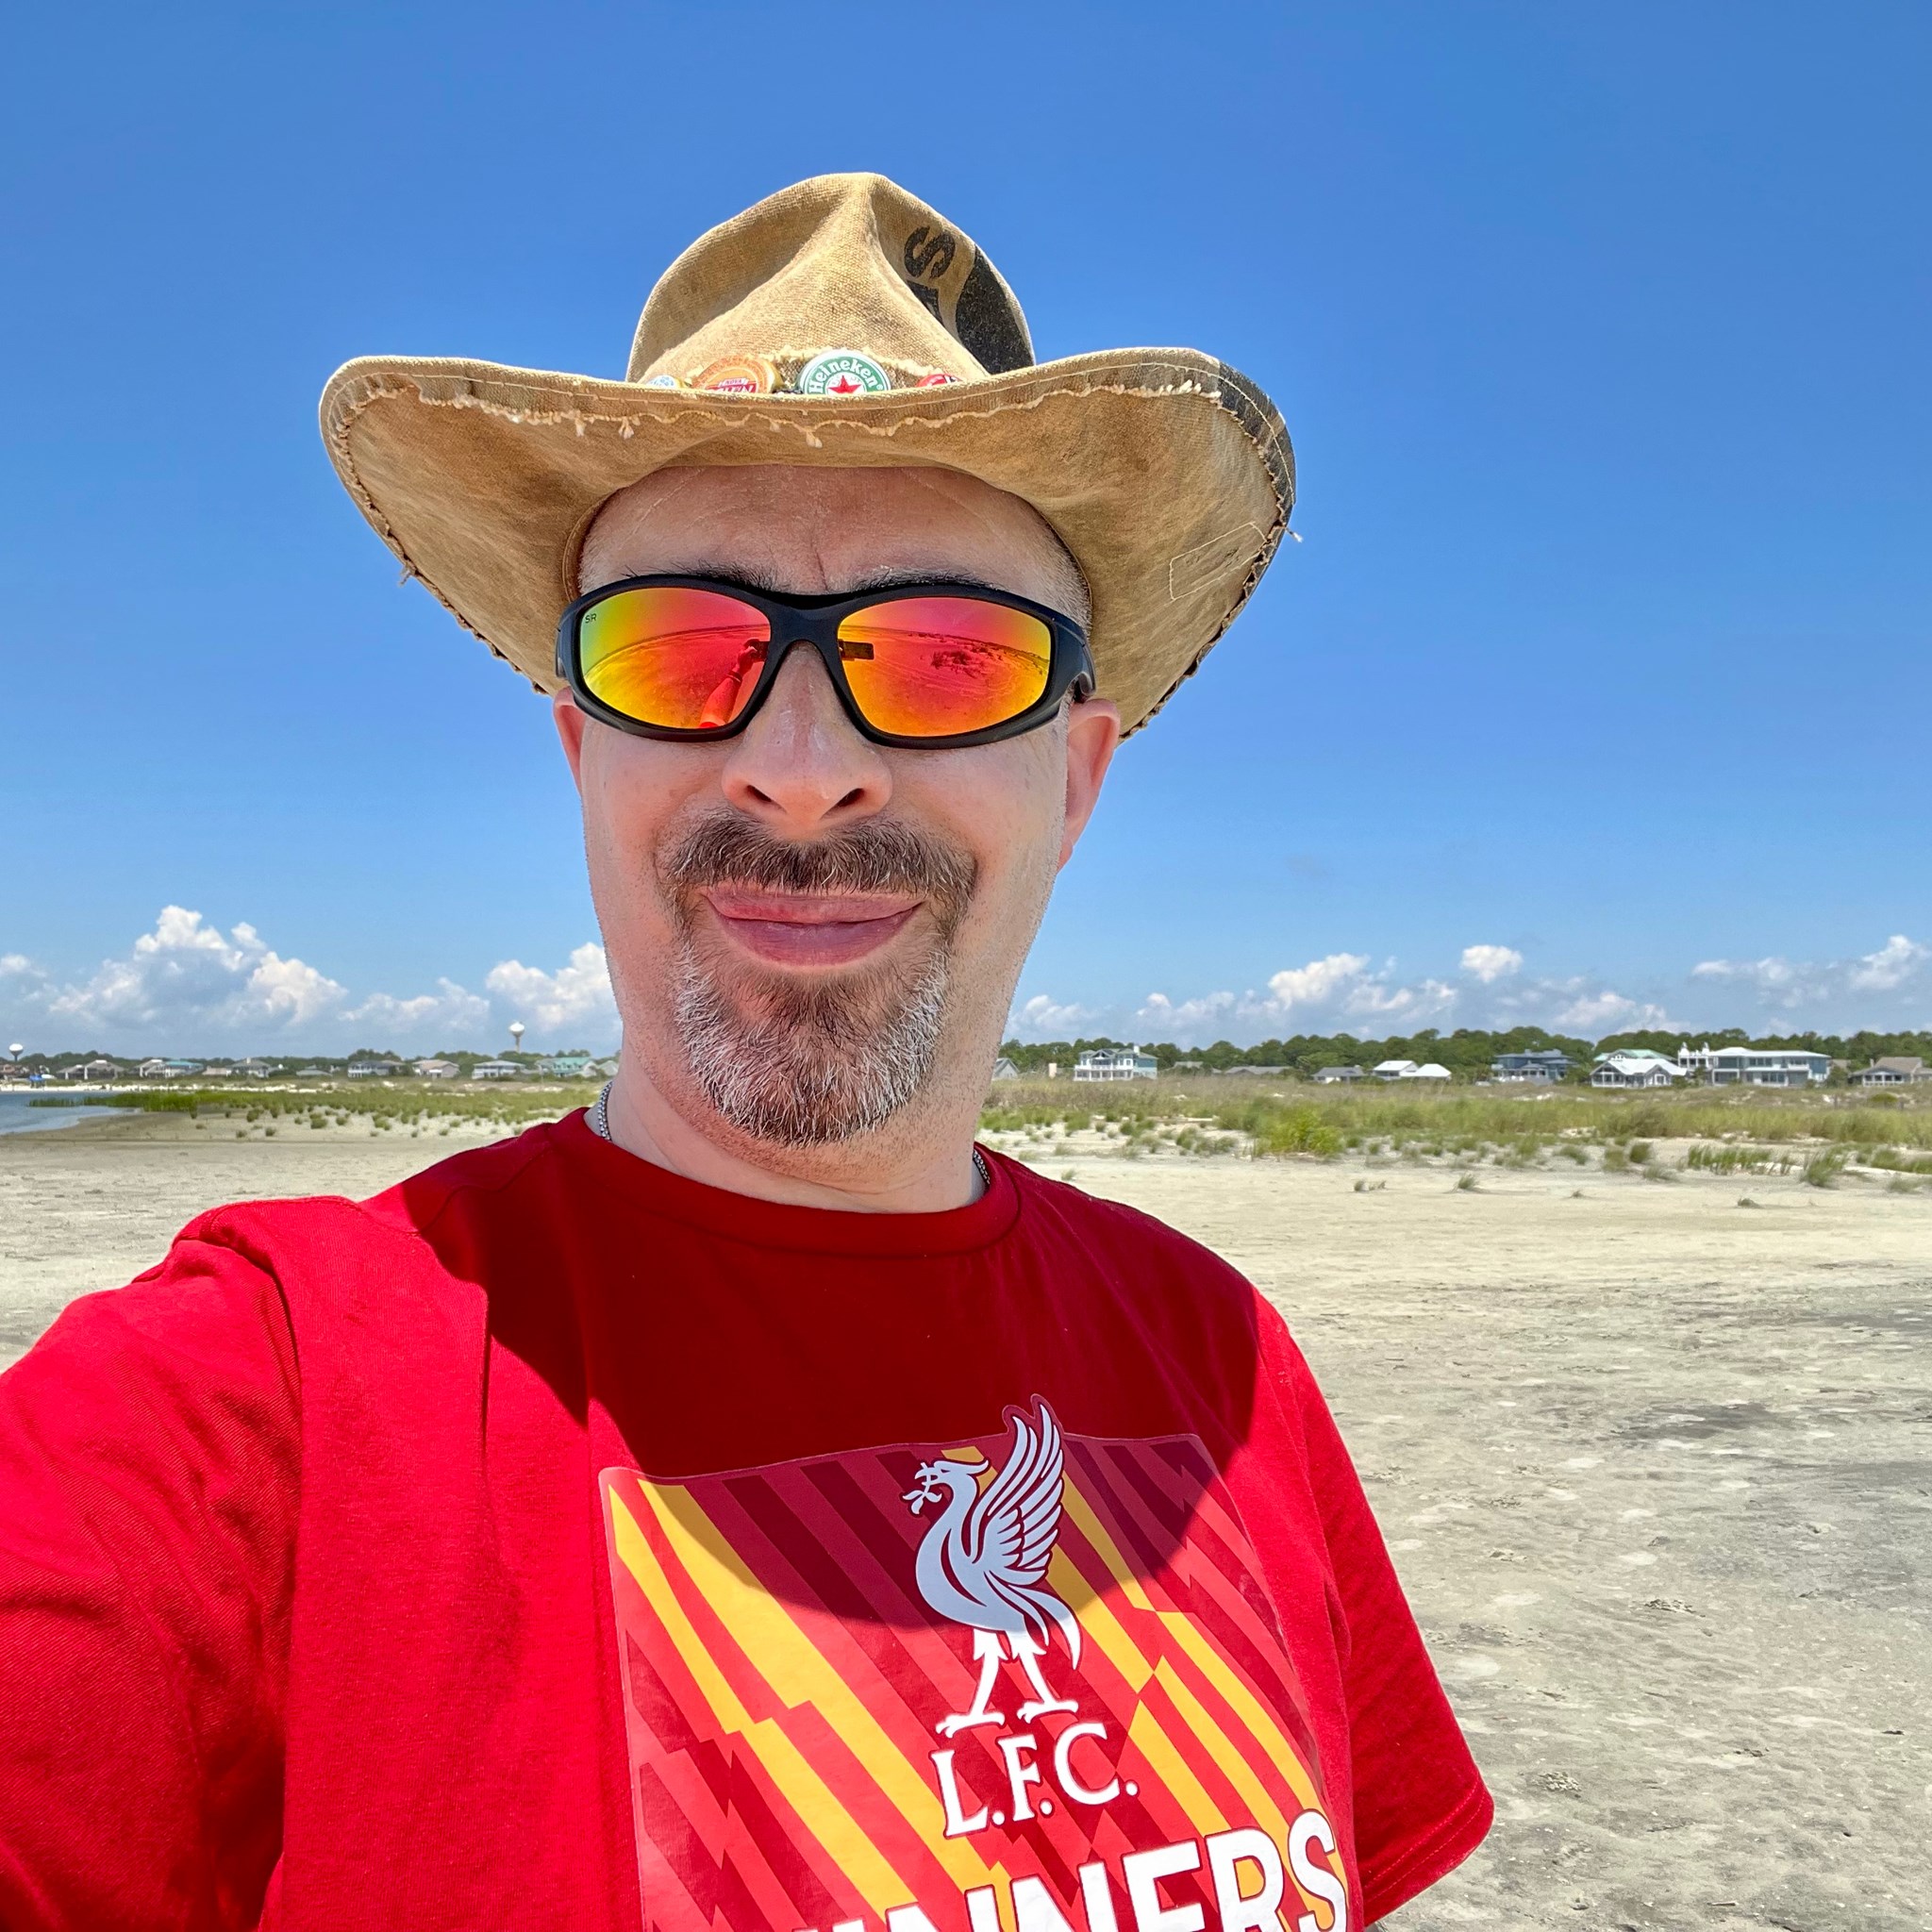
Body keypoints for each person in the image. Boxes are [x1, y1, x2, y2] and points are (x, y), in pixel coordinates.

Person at [0, 175, 1490, 1929]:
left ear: (1075, 782)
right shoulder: (260, 1401)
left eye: (949, 658)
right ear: (583, 757)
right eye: (682, 650)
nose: (800, 767)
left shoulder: (1224, 1364)